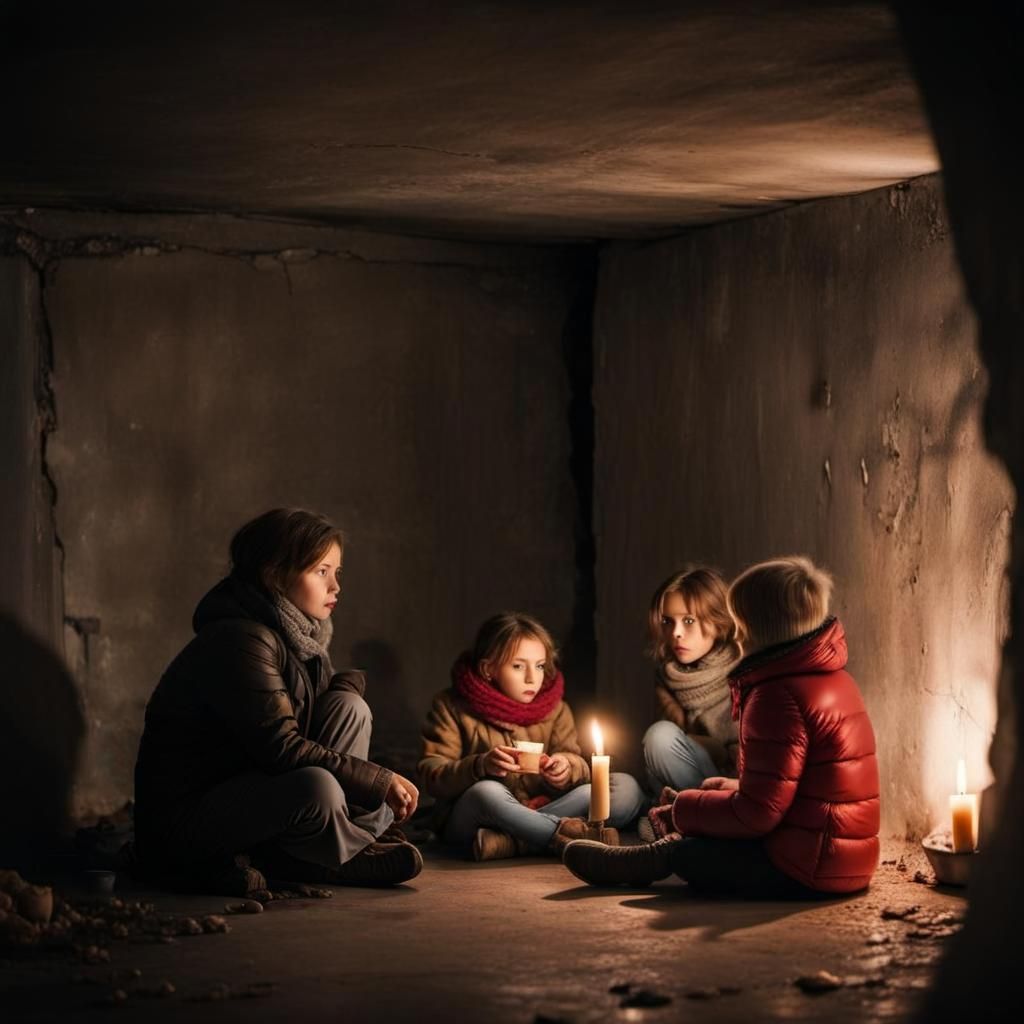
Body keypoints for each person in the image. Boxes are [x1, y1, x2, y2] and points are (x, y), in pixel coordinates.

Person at [133, 508, 423, 893]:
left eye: (337, 573)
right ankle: (338, 855)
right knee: (318, 787)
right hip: (190, 819)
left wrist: (341, 692)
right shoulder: (241, 640)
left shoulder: (302, 638)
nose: (335, 587)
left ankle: (322, 848)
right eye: (321, 572)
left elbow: (308, 726)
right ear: (274, 576)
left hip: (250, 792)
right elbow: (281, 748)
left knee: (349, 709)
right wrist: (379, 780)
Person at [564, 556, 880, 896]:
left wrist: (685, 808)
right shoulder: (834, 680)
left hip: (803, 867)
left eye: (741, 623)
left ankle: (632, 864)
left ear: (755, 628)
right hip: (847, 861)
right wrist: (730, 788)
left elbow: (758, 815)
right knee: (713, 817)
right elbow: (793, 789)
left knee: (689, 853)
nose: (737, 633)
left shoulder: (776, 695)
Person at [418, 612, 645, 861]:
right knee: (486, 792)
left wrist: (567, 768)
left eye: (539, 666)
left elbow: (574, 758)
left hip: (543, 805)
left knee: (625, 787)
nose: (532, 678)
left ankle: (515, 842)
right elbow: (432, 775)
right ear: (488, 669)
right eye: (518, 666)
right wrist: (479, 765)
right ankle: (558, 836)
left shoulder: (556, 709)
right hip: (477, 815)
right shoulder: (451, 707)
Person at [641, 567, 741, 807]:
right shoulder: (668, 677)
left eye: (688, 621)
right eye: (667, 621)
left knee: (660, 736)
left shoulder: (743, 671)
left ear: (717, 621)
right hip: (692, 787)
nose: (676, 633)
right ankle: (686, 816)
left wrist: (713, 747)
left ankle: (702, 818)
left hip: (738, 792)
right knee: (659, 739)